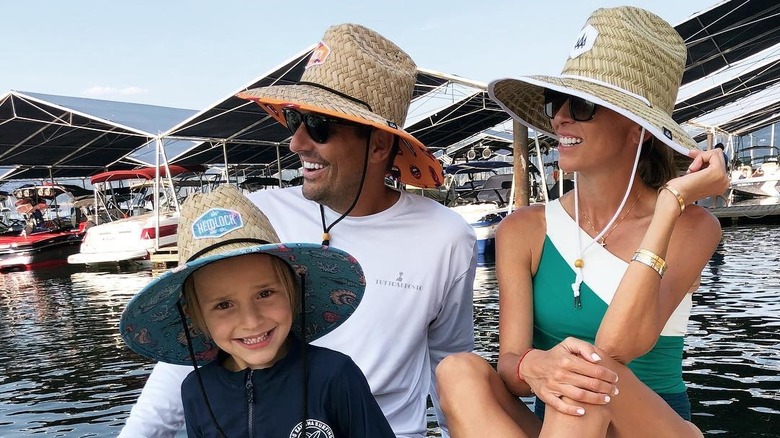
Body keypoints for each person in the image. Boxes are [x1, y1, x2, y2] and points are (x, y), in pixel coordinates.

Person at [119, 23, 477, 438]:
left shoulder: (446, 236)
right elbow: (189, 353)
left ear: (379, 146)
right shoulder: (254, 216)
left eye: (320, 126)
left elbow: (449, 363)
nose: (297, 143)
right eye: (295, 120)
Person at [435, 6, 729, 438]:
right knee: (459, 370)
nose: (560, 118)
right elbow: (512, 372)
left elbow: (617, 347)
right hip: (561, 424)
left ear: (639, 128)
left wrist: (671, 202)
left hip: (653, 426)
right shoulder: (522, 228)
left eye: (584, 105)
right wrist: (536, 364)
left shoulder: (692, 225)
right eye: (557, 102)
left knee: (589, 375)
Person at [120, 185, 393, 437]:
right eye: (224, 305)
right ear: (195, 315)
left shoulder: (334, 375)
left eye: (265, 294)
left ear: (293, 292)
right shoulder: (195, 391)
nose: (251, 321)